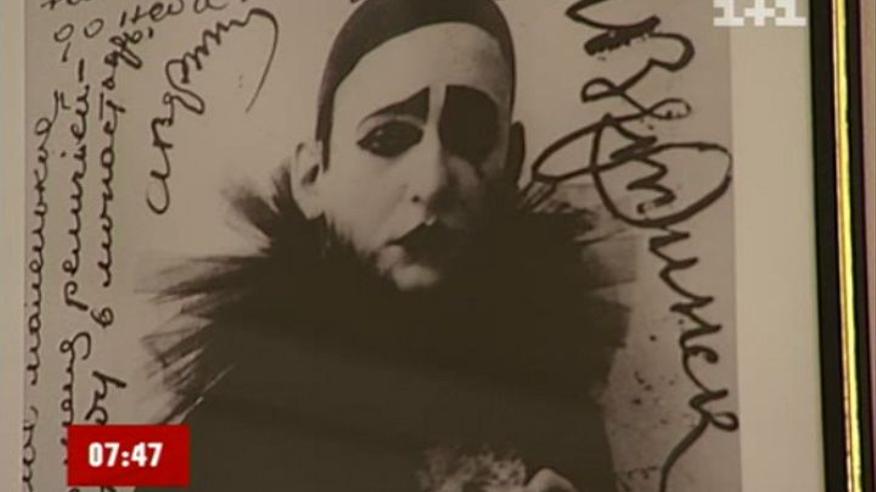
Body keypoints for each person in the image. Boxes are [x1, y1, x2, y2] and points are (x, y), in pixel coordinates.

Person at [141, 0, 625, 490]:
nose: (433, 182)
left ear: (512, 163)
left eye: (470, 137)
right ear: (312, 176)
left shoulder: (549, 393)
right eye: (387, 138)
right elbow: (104, 457)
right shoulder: (247, 379)